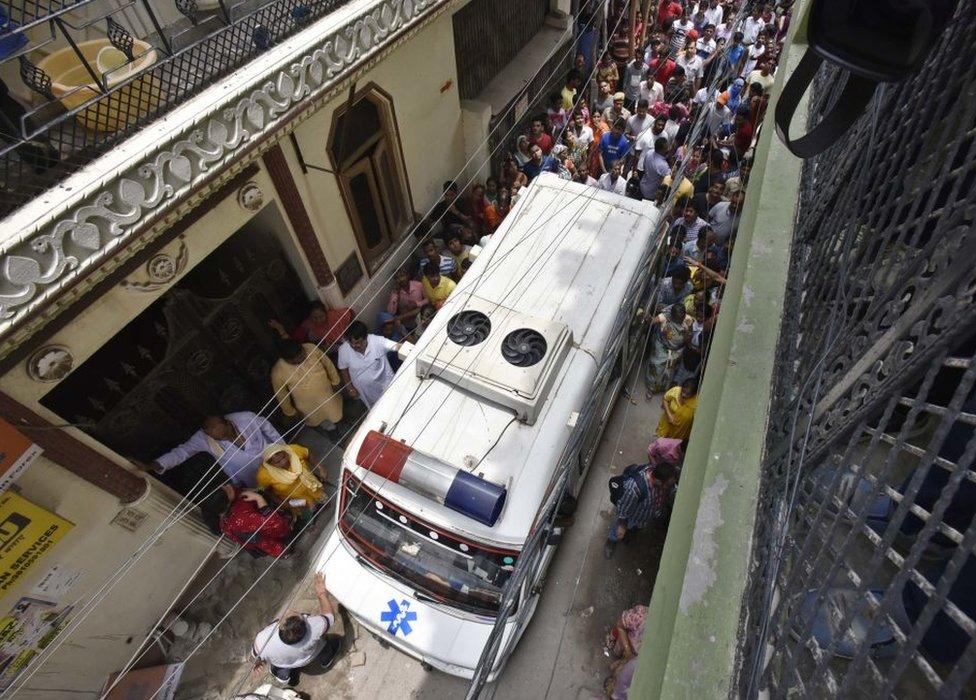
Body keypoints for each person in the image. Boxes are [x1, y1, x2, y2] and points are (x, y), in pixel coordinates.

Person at [146, 413, 284, 488]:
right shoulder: (203, 438)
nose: (226, 438)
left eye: (226, 434)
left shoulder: (246, 418)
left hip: (275, 461)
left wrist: (285, 448)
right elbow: (182, 452)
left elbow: (268, 429)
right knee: (273, 492)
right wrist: (155, 465)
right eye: (221, 438)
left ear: (228, 422)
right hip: (250, 475)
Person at [252, 572, 341, 686]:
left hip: (284, 663)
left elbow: (255, 656)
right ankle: (326, 658)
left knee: (279, 665)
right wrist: (321, 594)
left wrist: (258, 663)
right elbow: (330, 617)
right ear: (304, 623)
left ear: (281, 626)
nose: (289, 611)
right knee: (332, 641)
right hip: (309, 657)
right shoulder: (313, 628)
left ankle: (282, 674)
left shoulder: (262, 639)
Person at [604, 461, 678, 558]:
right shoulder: (634, 489)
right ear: (659, 481)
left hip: (643, 518)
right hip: (632, 517)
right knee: (619, 529)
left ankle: (628, 535)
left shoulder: (657, 477)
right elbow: (624, 508)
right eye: (668, 485)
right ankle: (611, 542)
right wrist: (622, 526)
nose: (670, 487)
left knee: (633, 529)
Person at [203, 484, 293, 558]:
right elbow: (276, 523)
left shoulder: (223, 521)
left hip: (260, 541)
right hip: (276, 537)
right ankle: (285, 551)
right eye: (226, 489)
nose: (228, 485)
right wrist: (258, 498)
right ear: (227, 497)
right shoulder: (241, 516)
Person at [271, 340, 343, 432]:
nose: (301, 358)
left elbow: (328, 364)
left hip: (328, 395)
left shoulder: (310, 348)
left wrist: (335, 381)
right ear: (287, 360)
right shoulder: (277, 372)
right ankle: (333, 432)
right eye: (296, 359)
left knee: (337, 412)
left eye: (302, 354)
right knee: (323, 424)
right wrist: (290, 411)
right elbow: (281, 395)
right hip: (308, 408)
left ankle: (341, 423)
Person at [337, 321, 401, 408]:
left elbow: (397, 346)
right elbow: (343, 369)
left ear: (366, 338)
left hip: (386, 385)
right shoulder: (343, 349)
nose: (354, 346)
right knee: (376, 410)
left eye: (358, 342)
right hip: (366, 391)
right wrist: (350, 388)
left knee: (395, 405)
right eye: (351, 343)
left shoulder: (377, 341)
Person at [256, 444, 325, 518]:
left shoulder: (294, 450)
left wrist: (321, 468)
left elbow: (309, 455)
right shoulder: (264, 474)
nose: (284, 462)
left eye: (284, 457)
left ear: (286, 452)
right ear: (270, 464)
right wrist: (280, 502)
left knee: (326, 503)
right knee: (316, 516)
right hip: (299, 500)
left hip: (314, 489)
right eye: (278, 462)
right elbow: (267, 490)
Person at [646, 303, 693, 393]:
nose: (680, 321)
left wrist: (687, 337)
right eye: (677, 319)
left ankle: (663, 387)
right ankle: (652, 386)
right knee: (657, 367)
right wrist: (648, 318)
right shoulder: (664, 316)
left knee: (670, 370)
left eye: (681, 318)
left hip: (677, 349)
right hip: (662, 347)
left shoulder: (688, 319)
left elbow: (690, 332)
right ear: (672, 315)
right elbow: (652, 321)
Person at [268, 301, 352, 350]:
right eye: (314, 318)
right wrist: (280, 329)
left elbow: (350, 313)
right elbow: (292, 343)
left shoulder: (334, 316)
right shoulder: (307, 326)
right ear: (310, 317)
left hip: (349, 344)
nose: (318, 320)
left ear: (326, 313)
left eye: (321, 316)